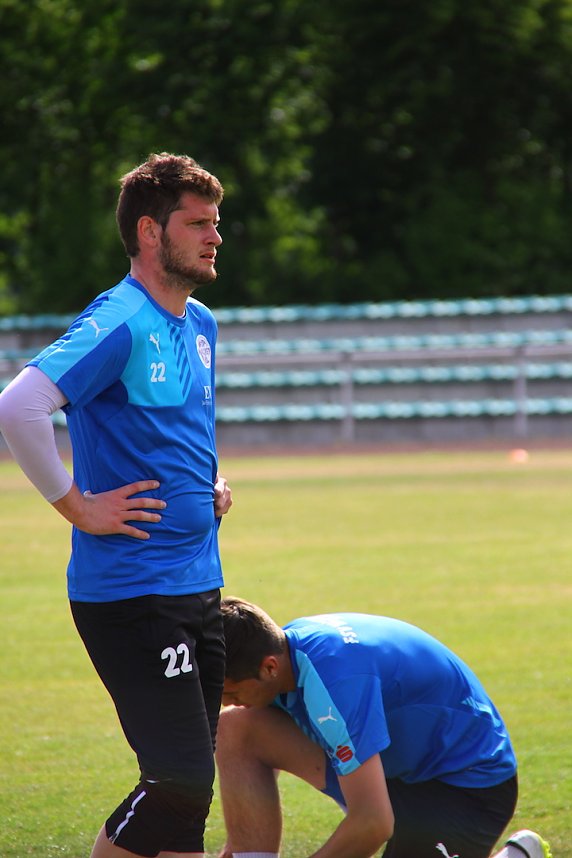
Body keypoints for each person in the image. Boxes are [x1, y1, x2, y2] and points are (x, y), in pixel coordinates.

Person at [0, 152, 233, 858]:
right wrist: (77, 507)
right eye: (197, 223)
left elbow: (183, 427)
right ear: (150, 232)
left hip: (200, 585)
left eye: (216, 223)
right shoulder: (121, 319)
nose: (215, 236)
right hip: (134, 593)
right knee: (181, 779)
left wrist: (208, 486)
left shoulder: (201, 324)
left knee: (185, 796)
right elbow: (21, 405)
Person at [216, 597, 552, 858]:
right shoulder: (282, 651)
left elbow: (373, 822)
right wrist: (243, 836)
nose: (227, 700)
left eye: (231, 691)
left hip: (466, 789)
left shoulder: (337, 682)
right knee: (236, 727)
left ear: (269, 667)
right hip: (394, 772)